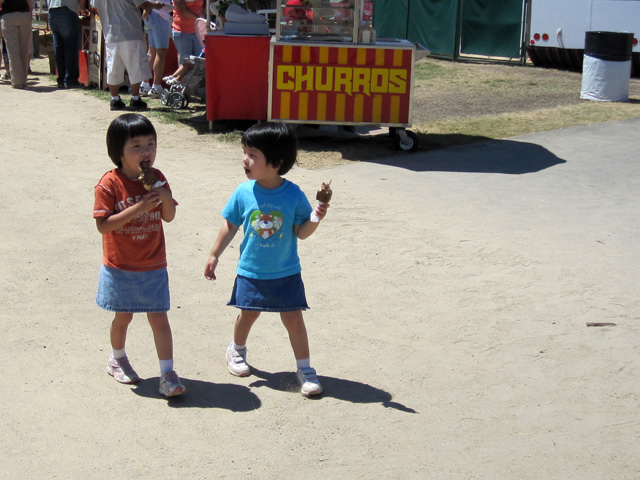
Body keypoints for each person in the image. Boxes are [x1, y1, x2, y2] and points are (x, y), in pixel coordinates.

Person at [204, 122, 329, 397]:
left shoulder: (293, 194)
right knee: (248, 314)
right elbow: (230, 225)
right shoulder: (243, 192)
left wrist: (316, 217)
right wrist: (214, 255)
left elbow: (302, 232)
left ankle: (305, 369)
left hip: (286, 271)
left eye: (252, 154)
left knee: (294, 319)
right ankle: (236, 350)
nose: (244, 159)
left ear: (276, 162)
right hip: (251, 271)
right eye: (244, 151)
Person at [94, 113, 186, 398]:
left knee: (159, 319)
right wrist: (139, 207)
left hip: (154, 263)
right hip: (121, 265)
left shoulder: (157, 178)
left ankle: (168, 373)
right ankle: (117, 358)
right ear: (118, 152)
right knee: (123, 318)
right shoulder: (109, 184)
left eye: (151, 143)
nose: (146, 151)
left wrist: (163, 196)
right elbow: (103, 225)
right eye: (136, 146)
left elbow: (168, 217)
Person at [93, 0, 164, 111]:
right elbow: (143, 4)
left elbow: (95, 6)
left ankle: (114, 98)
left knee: (113, 67)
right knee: (135, 65)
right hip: (130, 30)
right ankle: (135, 98)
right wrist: (157, 5)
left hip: (110, 33)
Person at [48, 0, 88, 89]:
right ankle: (70, 80)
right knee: (70, 47)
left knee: (59, 48)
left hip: (52, 11)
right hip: (67, 9)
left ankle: (61, 79)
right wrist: (82, 9)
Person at [163, 0, 202, 86]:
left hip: (198, 30)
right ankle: (182, 90)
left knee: (198, 62)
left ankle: (174, 78)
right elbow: (183, 10)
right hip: (182, 31)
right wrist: (201, 19)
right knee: (186, 62)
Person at [140, 0, 171, 98]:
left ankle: (145, 85)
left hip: (152, 14)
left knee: (152, 51)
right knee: (160, 52)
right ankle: (156, 86)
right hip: (160, 15)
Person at [0, 0, 32, 89]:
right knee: (24, 49)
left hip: (9, 15)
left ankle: (17, 81)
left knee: (13, 50)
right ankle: (24, 80)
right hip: (24, 14)